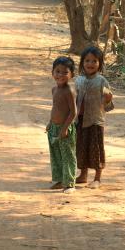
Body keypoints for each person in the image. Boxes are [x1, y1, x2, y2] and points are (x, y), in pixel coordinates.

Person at [75, 46, 113, 189]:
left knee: (96, 148)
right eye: (87, 61)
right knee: (81, 147)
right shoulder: (78, 80)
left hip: (96, 120)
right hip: (80, 120)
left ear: (100, 63)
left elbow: (108, 101)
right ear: (82, 63)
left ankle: (97, 178)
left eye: (94, 61)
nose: (90, 64)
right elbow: (75, 98)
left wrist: (108, 98)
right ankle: (83, 174)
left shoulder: (101, 81)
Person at [46, 56, 77, 193]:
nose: (61, 75)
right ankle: (59, 180)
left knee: (68, 156)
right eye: (57, 71)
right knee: (56, 154)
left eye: (65, 72)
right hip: (54, 127)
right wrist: (50, 123)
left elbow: (73, 112)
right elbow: (55, 108)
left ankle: (70, 183)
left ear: (72, 75)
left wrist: (65, 128)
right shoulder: (54, 90)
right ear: (52, 73)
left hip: (66, 129)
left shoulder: (69, 91)